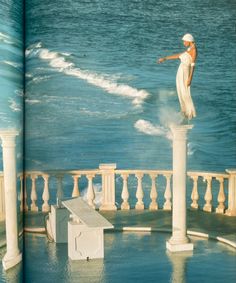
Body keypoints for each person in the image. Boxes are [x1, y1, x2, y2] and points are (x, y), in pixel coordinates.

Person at [158, 33, 197, 120]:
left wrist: (190, 78)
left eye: (184, 41)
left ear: (189, 40)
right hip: (180, 73)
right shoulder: (189, 49)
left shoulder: (194, 50)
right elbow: (178, 56)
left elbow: (193, 65)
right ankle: (184, 111)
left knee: (185, 93)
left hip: (185, 74)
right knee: (180, 92)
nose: (183, 43)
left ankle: (189, 113)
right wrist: (165, 58)